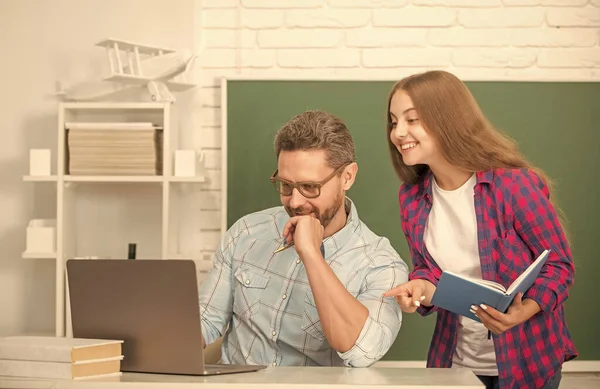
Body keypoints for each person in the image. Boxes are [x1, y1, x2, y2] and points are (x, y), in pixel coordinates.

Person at [382, 70, 576, 389]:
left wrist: (520, 312)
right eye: (393, 121)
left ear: (447, 119)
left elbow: (559, 266)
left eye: (411, 119)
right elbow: (429, 272)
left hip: (526, 363)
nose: (398, 132)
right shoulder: (412, 198)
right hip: (456, 363)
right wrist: (419, 288)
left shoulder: (513, 186)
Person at [198, 110, 409, 368]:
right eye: (286, 185)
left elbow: (362, 352)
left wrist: (311, 254)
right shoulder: (246, 232)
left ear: (347, 177)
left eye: (310, 187)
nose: (295, 202)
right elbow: (207, 320)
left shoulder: (380, 264)